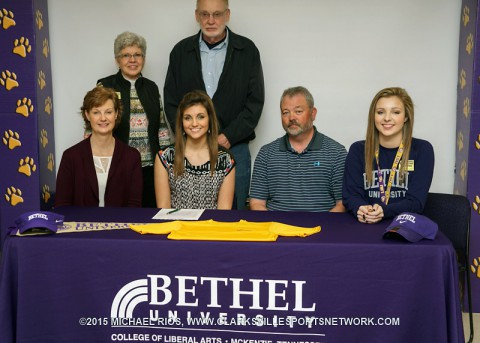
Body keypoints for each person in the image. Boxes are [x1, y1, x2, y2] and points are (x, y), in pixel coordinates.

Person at [163, 0, 264, 210]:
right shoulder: (180, 52)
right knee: (186, 214)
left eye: (217, 14)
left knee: (235, 216)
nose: (210, 21)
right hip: (190, 150)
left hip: (235, 147)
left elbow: (254, 103)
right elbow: (172, 102)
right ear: (196, 15)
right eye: (205, 14)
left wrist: (227, 138)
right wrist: (190, 138)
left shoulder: (247, 50)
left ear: (227, 15)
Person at [97, 31, 172, 208]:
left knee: (148, 217)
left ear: (143, 58)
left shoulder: (152, 88)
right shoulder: (105, 86)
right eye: (126, 55)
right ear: (117, 60)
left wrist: (167, 163)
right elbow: (93, 126)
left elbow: (162, 128)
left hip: (149, 169)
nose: (132, 60)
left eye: (137, 55)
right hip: (116, 167)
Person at [342, 87, 435, 223]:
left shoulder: (422, 150)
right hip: (365, 224)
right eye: (380, 112)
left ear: (406, 117)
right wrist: (360, 208)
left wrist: (384, 211)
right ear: (373, 116)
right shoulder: (358, 150)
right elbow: (351, 195)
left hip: (403, 228)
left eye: (396, 112)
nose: (386, 118)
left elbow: (416, 202)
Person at [249, 86, 347, 212]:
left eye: (298, 111)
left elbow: (342, 204)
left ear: (313, 113)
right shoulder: (266, 154)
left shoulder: (336, 153)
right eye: (285, 112)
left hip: (322, 229)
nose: (291, 118)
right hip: (277, 229)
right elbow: (257, 203)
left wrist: (319, 229)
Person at [55, 87, 142, 207]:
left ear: (116, 114)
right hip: (79, 225)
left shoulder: (132, 157)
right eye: (96, 112)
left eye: (108, 112)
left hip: (121, 225)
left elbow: (134, 207)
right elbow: (62, 206)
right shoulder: (71, 156)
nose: (103, 118)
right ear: (87, 115)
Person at [154, 90, 236, 209]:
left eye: (200, 117)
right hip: (175, 225)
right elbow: (164, 209)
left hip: (211, 226)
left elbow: (223, 213)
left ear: (210, 120)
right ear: (181, 122)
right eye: (188, 118)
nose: (194, 123)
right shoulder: (164, 157)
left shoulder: (226, 159)